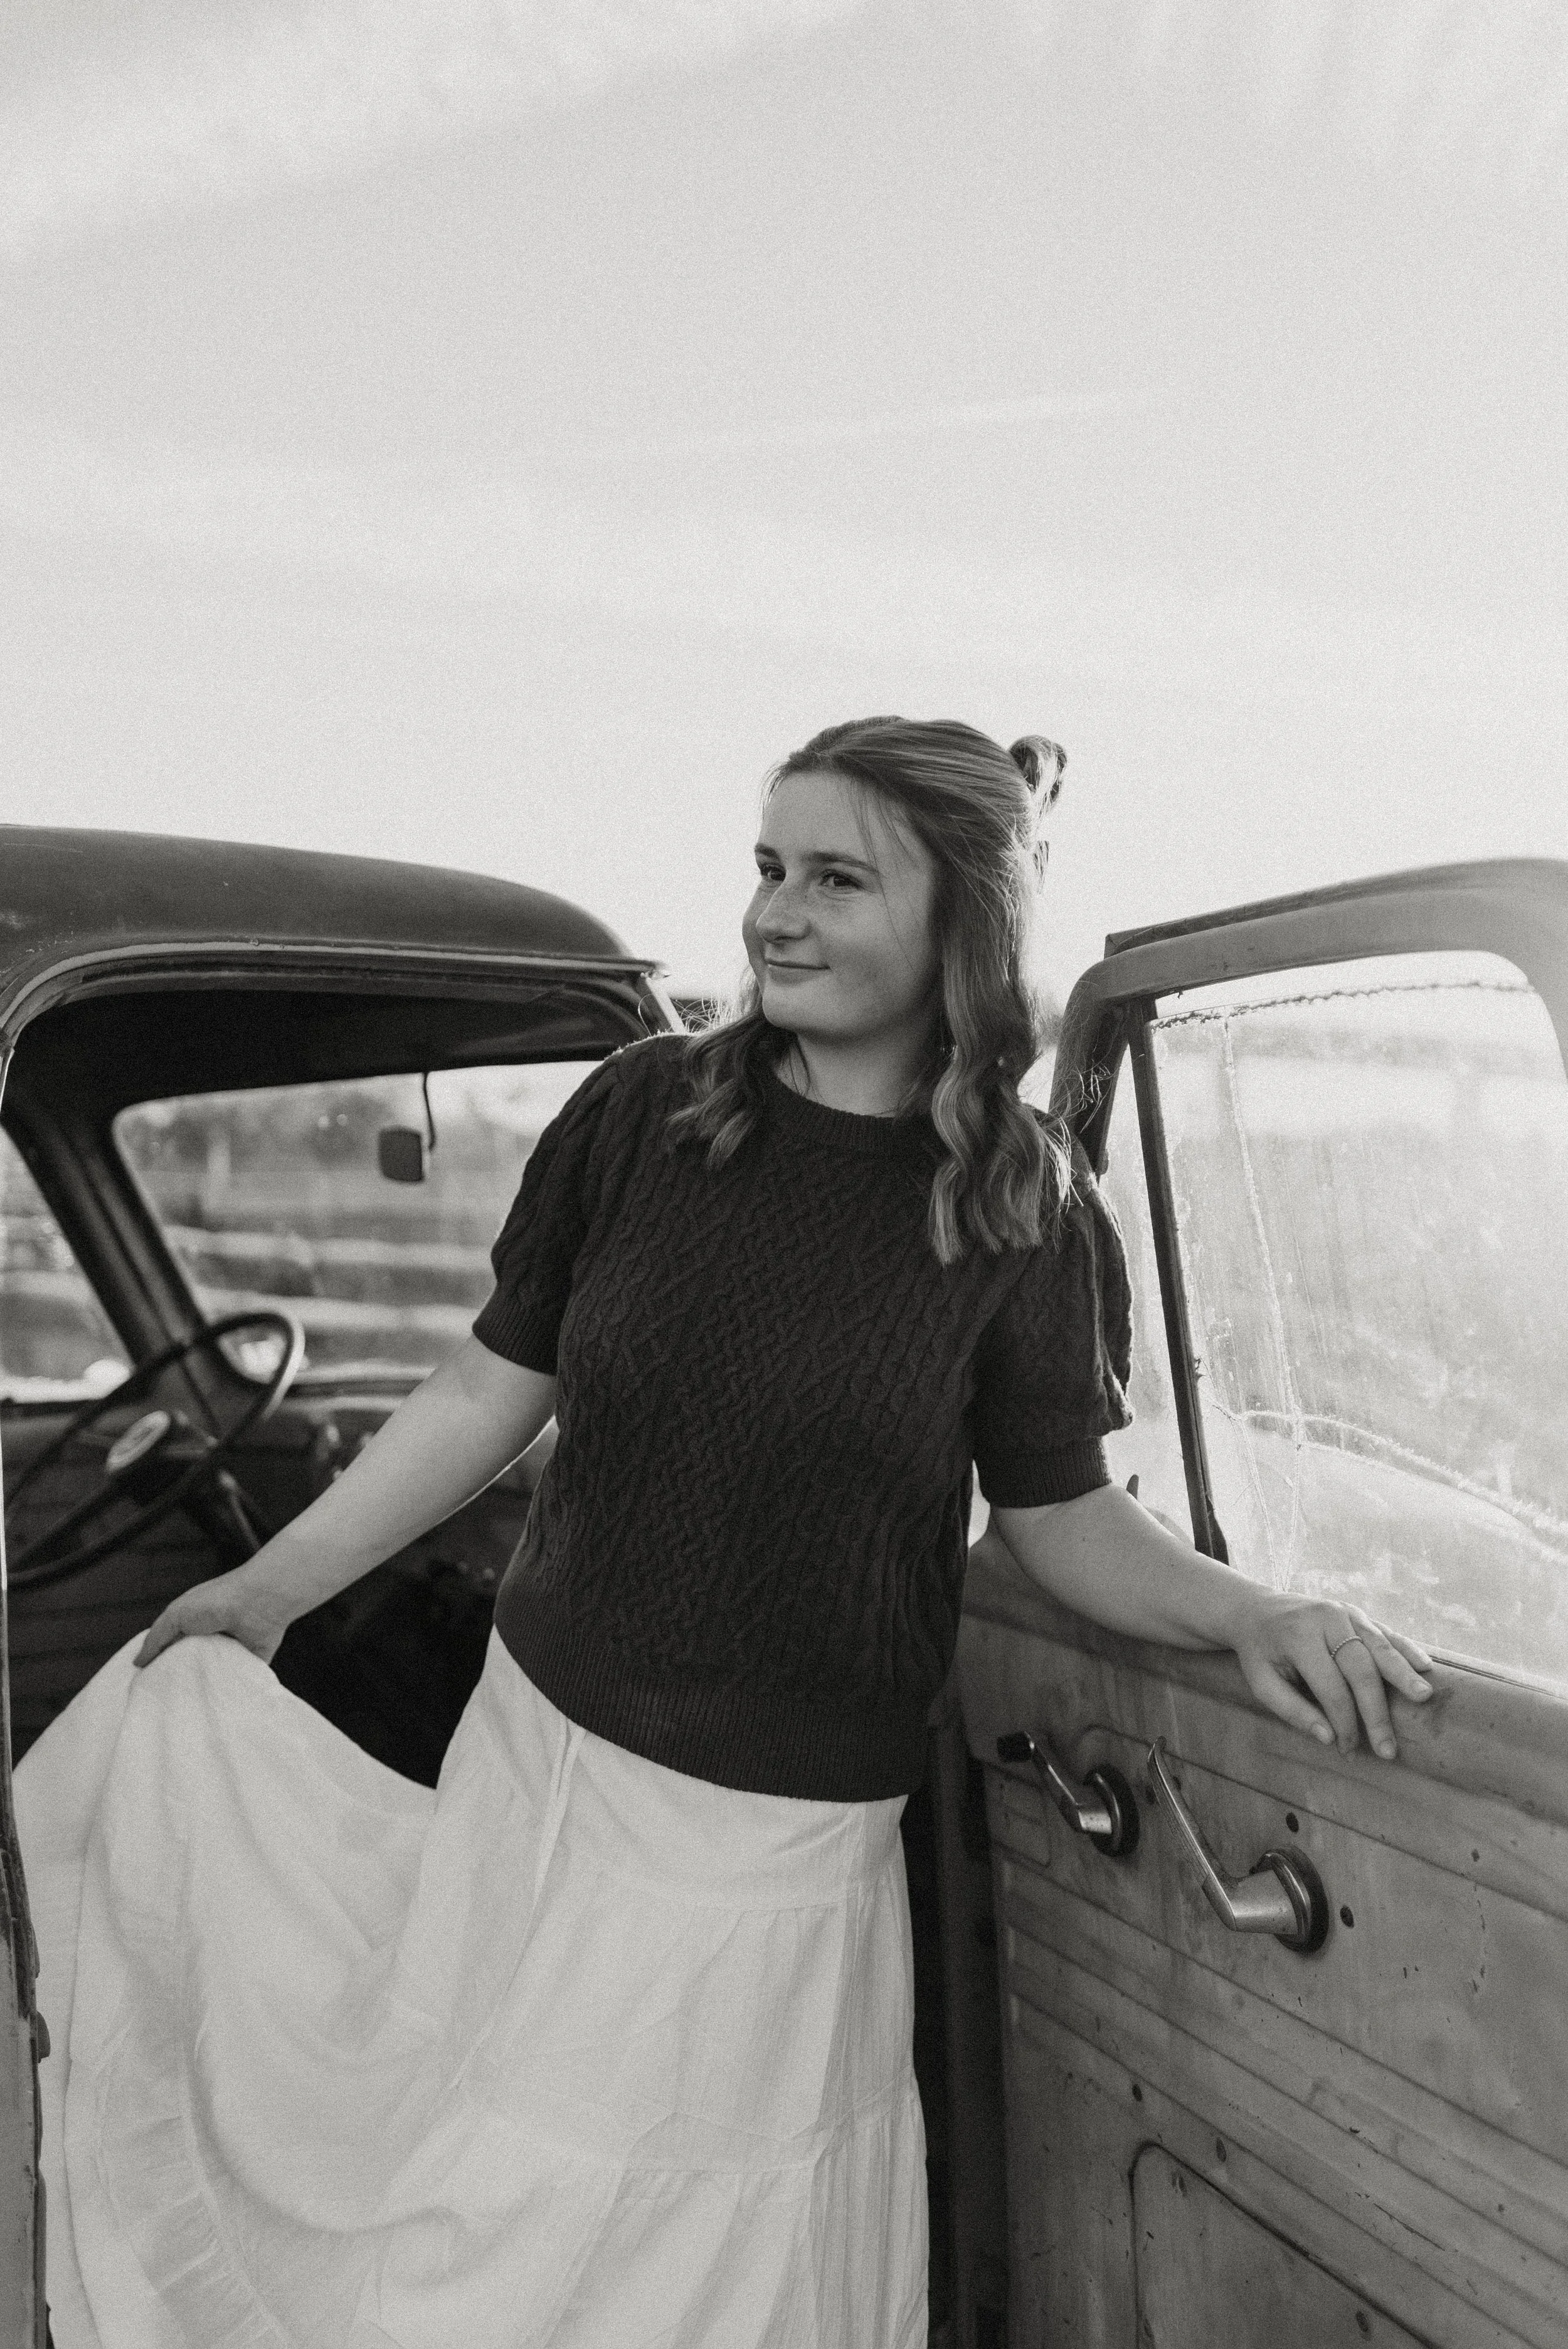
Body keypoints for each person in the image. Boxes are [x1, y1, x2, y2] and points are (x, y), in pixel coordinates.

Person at [15, 716, 1434, 2349]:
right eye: (769, 867)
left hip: (759, 1846)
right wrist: (274, 1582)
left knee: (660, 2251)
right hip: (528, 1755)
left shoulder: (1023, 1205)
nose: (777, 914)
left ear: (958, 922)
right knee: (467, 2189)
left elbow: (1062, 1524)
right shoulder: (642, 1113)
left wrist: (1244, 1618)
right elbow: (488, 1393)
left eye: (836, 878)